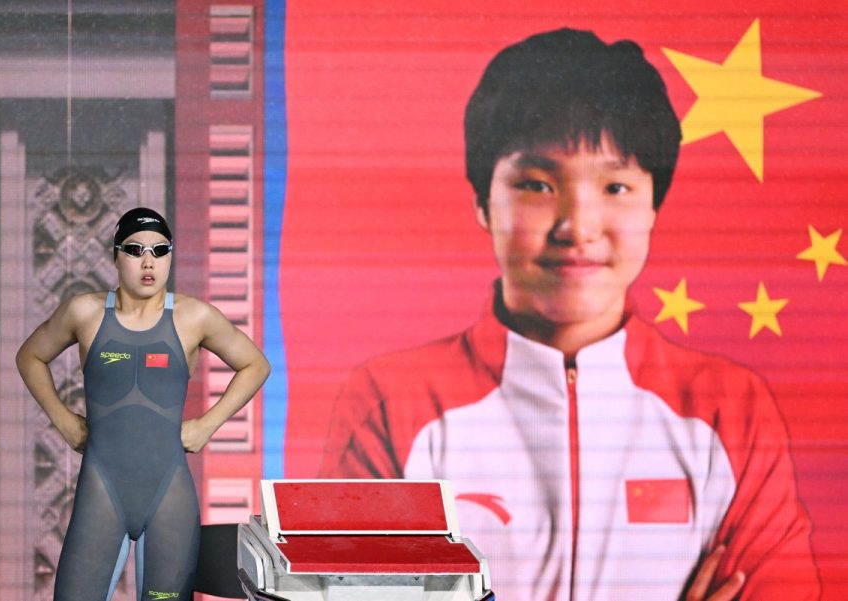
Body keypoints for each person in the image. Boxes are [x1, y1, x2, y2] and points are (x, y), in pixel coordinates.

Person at [318, 29, 819, 600]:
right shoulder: (390, 403)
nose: (578, 227)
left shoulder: (731, 411)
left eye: (616, 185)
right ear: (483, 201)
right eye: (536, 184)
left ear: (655, 205)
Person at [17, 207, 271, 600]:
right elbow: (30, 356)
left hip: (168, 495)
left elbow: (255, 364)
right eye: (135, 250)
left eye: (160, 250)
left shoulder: (193, 316)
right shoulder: (84, 312)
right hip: (101, 493)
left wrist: (207, 424)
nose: (148, 261)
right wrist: (63, 421)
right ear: (116, 255)